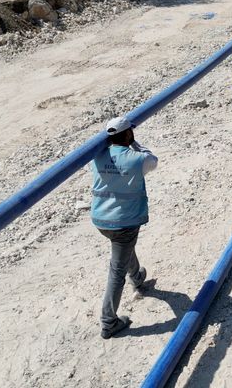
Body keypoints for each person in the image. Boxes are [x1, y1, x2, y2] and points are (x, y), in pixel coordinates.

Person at [90, 116, 158, 339]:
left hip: (100, 219)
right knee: (116, 271)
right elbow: (153, 160)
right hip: (124, 222)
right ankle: (108, 322)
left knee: (124, 248)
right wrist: (135, 143)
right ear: (128, 133)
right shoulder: (138, 159)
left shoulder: (97, 156)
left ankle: (137, 277)